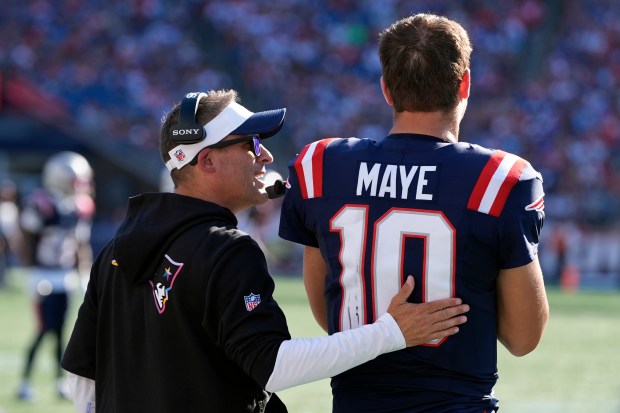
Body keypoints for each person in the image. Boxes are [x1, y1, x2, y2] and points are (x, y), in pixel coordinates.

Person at [60, 90, 470, 413]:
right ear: (206, 162)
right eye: (251, 144)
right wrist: (390, 332)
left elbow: (83, 376)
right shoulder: (225, 249)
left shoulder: (117, 247)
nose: (266, 155)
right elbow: (273, 366)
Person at [278, 13, 549, 413]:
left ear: (387, 89)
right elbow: (523, 338)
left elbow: (327, 310)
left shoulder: (320, 165)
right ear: (465, 84)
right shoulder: (500, 180)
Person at [17, 151, 95, 401]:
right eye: (76, 179)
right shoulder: (42, 203)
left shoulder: (79, 205)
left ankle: (59, 382)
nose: (80, 185)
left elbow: (80, 244)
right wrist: (30, 271)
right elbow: (25, 240)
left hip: (64, 275)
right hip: (43, 274)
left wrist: (83, 272)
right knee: (43, 330)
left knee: (62, 332)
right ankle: (25, 382)